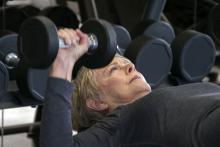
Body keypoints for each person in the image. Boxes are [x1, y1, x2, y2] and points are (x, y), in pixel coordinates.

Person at [40, 28, 220, 147]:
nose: (130, 67)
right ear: (96, 102)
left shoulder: (182, 90)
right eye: (113, 69)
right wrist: (63, 63)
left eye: (127, 62)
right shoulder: (122, 122)